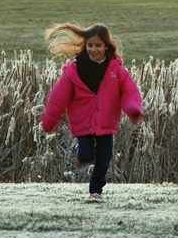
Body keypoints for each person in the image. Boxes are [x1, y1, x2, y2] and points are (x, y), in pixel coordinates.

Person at [41, 23, 144, 201]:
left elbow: (129, 91)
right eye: (90, 45)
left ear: (106, 46)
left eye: (98, 45)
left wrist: (134, 110)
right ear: (85, 45)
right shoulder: (74, 71)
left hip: (106, 121)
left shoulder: (116, 70)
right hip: (83, 122)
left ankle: (95, 191)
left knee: (104, 159)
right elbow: (58, 97)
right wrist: (50, 121)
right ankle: (80, 156)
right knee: (87, 155)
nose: (93, 49)